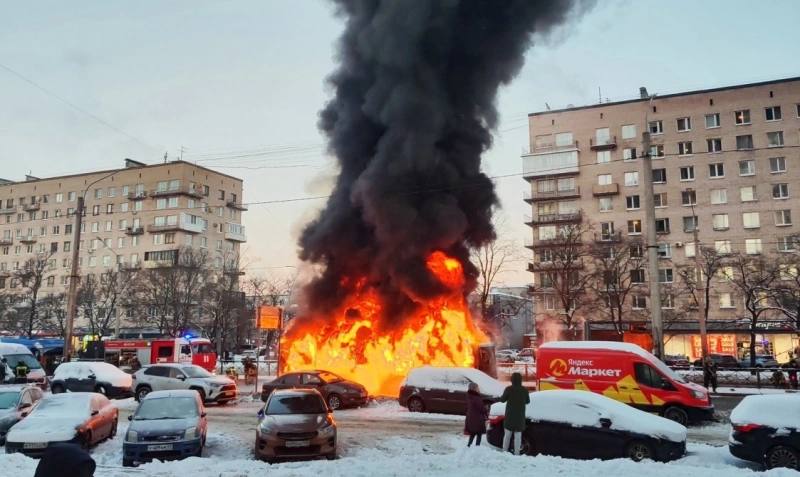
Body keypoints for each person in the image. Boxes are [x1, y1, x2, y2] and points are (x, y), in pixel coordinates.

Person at [500, 372, 529, 455]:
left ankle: (504, 451)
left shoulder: (508, 389)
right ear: (521, 380)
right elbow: (528, 401)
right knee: (518, 437)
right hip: (519, 417)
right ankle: (517, 453)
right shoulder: (524, 390)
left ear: (512, 380)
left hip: (509, 416)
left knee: (507, 436)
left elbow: (502, 400)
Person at [464, 382, 488, 447]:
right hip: (477, 419)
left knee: (473, 433)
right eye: (477, 387)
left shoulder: (470, 396)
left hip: (471, 418)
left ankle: (469, 446)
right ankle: (477, 448)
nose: (478, 389)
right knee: (479, 434)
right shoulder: (476, 397)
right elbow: (481, 408)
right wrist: (486, 408)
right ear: (474, 389)